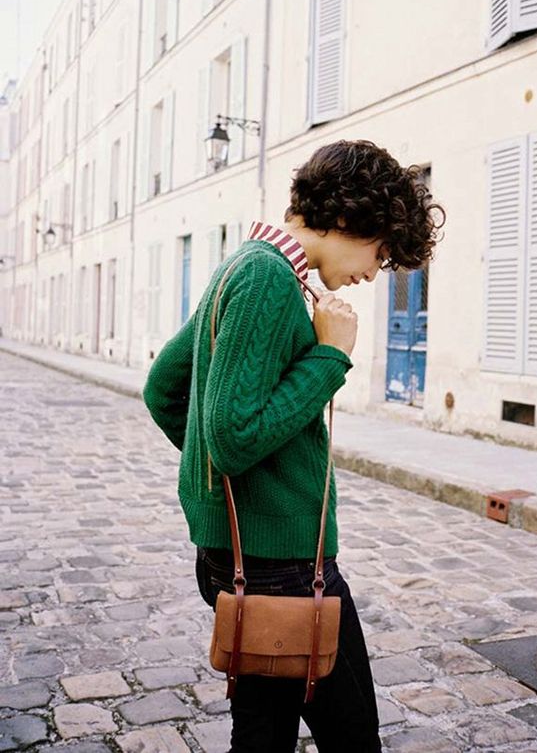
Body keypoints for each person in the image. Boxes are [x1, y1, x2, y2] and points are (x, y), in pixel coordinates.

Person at [142, 139, 445, 752]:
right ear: (347, 216)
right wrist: (330, 356)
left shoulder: (246, 264)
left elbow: (165, 390)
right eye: (379, 251)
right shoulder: (267, 279)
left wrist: (239, 478)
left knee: (264, 733)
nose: (372, 272)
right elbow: (231, 438)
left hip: (243, 558)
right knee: (353, 735)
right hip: (280, 566)